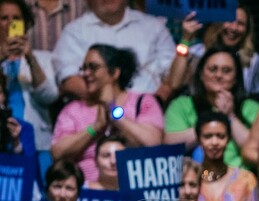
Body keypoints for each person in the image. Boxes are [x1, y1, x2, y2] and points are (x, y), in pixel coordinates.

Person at [50, 43, 163, 183]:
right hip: (88, 197)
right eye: (83, 68)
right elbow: (57, 153)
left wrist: (115, 113)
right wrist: (95, 128)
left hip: (132, 193)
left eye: (93, 67)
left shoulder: (143, 101)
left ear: (114, 73)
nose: (86, 74)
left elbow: (153, 144)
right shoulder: (73, 110)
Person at [52, 0, 175, 98]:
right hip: (95, 114)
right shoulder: (74, 32)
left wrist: (153, 103)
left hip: (149, 113)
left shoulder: (153, 26)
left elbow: (173, 72)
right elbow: (69, 80)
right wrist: (114, 104)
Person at [163, 46, 259, 164]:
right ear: (201, 75)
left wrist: (230, 116)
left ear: (236, 78)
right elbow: (169, 147)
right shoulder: (181, 105)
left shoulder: (252, 108)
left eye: (226, 70)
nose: (218, 75)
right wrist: (210, 124)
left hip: (241, 179)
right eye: (212, 69)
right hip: (195, 178)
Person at [194, 111, 259, 201]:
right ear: (199, 139)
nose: (214, 142)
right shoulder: (189, 180)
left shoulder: (245, 180)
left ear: (228, 139)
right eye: (208, 136)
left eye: (220, 136)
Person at [0, 0, 57, 154]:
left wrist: (30, 58)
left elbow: (49, 97)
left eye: (17, 18)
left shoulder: (44, 58)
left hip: (38, 144)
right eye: (4, 18)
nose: (10, 23)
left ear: (25, 24)